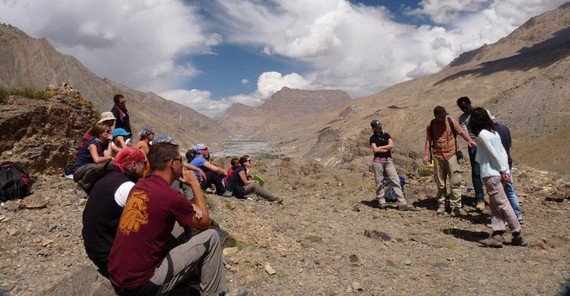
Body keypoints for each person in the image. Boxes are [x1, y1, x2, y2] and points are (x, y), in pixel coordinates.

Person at [107, 142, 230, 295]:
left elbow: (160, 207)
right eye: (181, 160)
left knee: (178, 230)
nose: (183, 164)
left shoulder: (139, 187)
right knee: (211, 236)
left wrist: (187, 206)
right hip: (141, 286)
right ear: (172, 163)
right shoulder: (171, 197)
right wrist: (195, 185)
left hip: (118, 279)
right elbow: (204, 223)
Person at [82, 147, 147, 278]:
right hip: (110, 257)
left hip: (96, 249)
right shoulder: (127, 187)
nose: (146, 167)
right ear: (134, 165)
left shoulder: (107, 179)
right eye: (144, 163)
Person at [467, 108, 527, 247]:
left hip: (491, 173)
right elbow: (502, 152)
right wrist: (505, 170)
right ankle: (498, 233)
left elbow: (493, 153)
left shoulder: (482, 134)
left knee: (502, 204)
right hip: (500, 173)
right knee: (495, 204)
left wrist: (501, 169)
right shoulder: (493, 132)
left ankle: (517, 233)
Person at [422, 106, 477, 217]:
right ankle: (441, 204)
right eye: (441, 116)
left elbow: (461, 132)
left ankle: (455, 206)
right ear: (436, 116)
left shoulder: (451, 122)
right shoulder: (431, 125)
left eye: (444, 116)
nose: (443, 118)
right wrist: (426, 155)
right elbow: (428, 140)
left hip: (451, 154)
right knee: (440, 183)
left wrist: (469, 140)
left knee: (455, 181)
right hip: (438, 156)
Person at [369, 120, 416, 211]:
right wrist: (384, 148)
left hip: (388, 161)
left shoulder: (386, 135)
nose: (380, 128)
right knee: (379, 182)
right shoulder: (372, 138)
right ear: (374, 128)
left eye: (380, 126)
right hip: (378, 161)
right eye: (378, 127)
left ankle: (402, 202)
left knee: (396, 180)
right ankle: (382, 202)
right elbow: (376, 150)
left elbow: (391, 145)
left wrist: (381, 148)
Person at [456, 96, 486, 211]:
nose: (464, 110)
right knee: (476, 171)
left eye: (465, 107)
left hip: (486, 143)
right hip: (474, 146)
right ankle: (480, 199)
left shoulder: (481, 112)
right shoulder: (462, 118)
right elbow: (464, 131)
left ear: (469, 104)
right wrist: (470, 141)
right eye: (461, 108)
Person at [493, 121, 523, 224]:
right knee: (510, 190)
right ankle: (518, 215)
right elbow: (509, 144)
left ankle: (507, 218)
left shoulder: (490, 132)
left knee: (502, 192)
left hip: (499, 166)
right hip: (508, 163)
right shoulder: (504, 128)